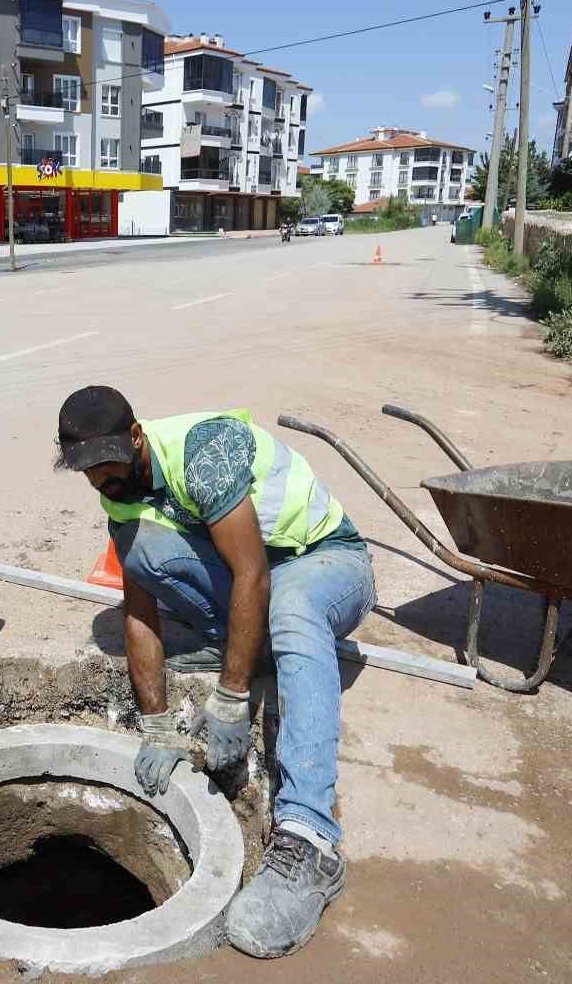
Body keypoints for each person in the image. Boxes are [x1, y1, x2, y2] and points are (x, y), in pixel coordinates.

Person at [54, 386, 376, 959]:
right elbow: (139, 609)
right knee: (142, 551)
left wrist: (231, 696)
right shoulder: (118, 488)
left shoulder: (202, 449)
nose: (103, 480)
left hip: (325, 562)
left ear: (135, 437)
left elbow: (252, 572)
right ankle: (256, 649)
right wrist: (155, 725)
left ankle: (311, 840)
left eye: (108, 464)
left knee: (292, 607)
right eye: (89, 473)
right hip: (258, 575)